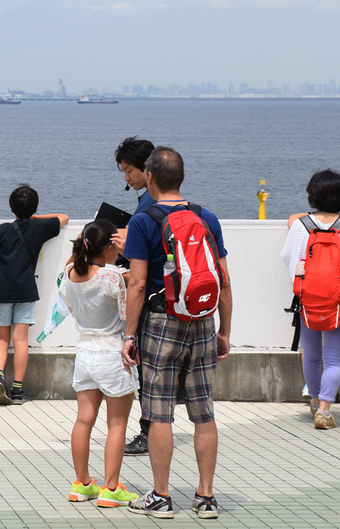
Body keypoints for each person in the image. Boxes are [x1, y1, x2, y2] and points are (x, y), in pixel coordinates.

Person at [121, 146, 232, 520]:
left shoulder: (143, 221)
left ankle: (162, 496)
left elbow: (137, 284)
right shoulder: (206, 217)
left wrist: (129, 335)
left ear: (149, 177)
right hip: (202, 322)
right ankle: (206, 497)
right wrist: (225, 331)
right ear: (181, 177)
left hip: (162, 323)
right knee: (204, 413)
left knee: (160, 414)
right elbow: (224, 281)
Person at [280, 169, 340, 429]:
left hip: (306, 300)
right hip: (339, 301)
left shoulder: (300, 226)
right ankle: (325, 411)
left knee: (310, 355)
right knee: (332, 358)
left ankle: (314, 400)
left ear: (313, 195)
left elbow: (288, 258)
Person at [63, 220, 139, 509]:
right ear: (110, 247)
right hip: (111, 352)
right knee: (116, 423)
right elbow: (141, 278)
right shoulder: (112, 276)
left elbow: (73, 263)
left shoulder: (69, 273)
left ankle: (81, 484)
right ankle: (110, 488)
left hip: (84, 352)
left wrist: (85, 238)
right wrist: (130, 249)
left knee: (84, 419)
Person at [0, 184, 67, 405]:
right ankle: (18, 390)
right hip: (26, 290)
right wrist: (35, 217)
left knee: (1, 339)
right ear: (34, 208)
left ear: (11, 208)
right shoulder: (39, 228)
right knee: (21, 339)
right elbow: (64, 217)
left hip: (3, 290)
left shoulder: (3, 229)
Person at [113, 136, 155, 455]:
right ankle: (152, 429)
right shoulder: (178, 207)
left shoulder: (147, 208)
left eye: (128, 171)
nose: (126, 178)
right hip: (172, 301)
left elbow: (142, 271)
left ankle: (147, 432)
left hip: (150, 301)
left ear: (146, 169)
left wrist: (124, 248)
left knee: (148, 373)